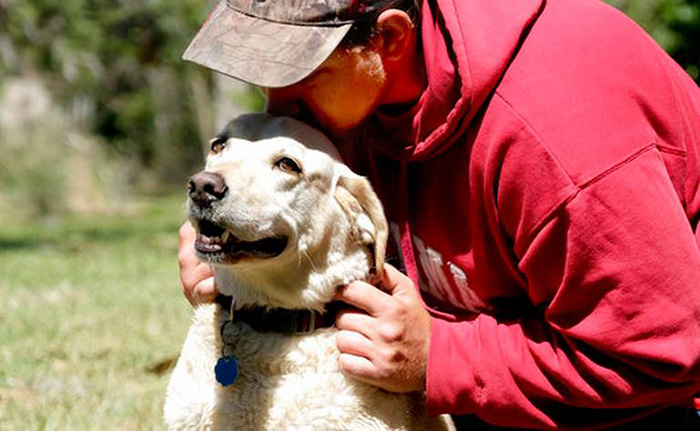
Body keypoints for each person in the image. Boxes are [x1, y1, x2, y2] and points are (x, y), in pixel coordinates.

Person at [177, 0, 700, 428]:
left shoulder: (559, 141)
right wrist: (233, 235)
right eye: (265, 76)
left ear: (390, 38)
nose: (277, 105)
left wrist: (444, 359)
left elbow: (663, 353)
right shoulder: (359, 93)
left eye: (301, 73)